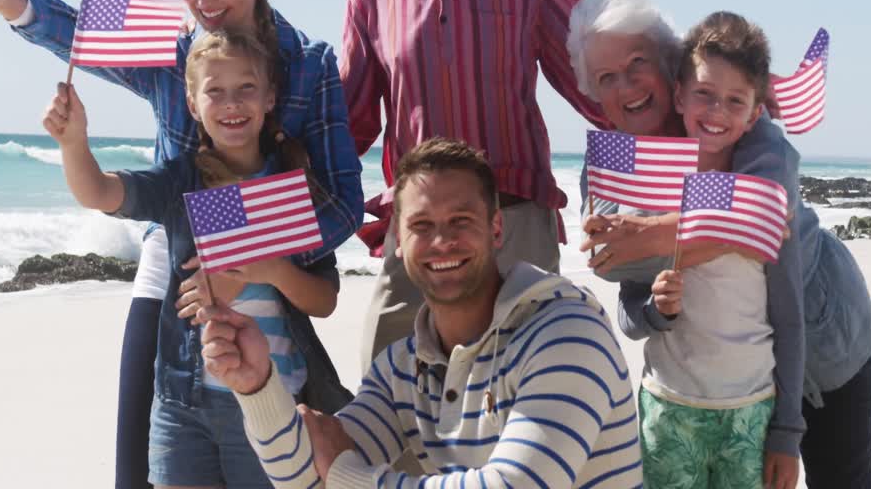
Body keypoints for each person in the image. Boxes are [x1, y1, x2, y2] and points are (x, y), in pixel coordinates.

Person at [0, 0, 364, 488]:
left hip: (269, 294)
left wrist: (245, 253)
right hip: (170, 279)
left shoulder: (309, 63)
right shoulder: (174, 48)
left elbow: (344, 201)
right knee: (135, 472)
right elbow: (81, 33)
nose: (206, 1)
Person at [567, 0, 871, 489]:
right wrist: (653, 304)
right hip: (714, 389)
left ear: (670, 67)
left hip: (824, 336)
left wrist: (649, 233)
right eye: (607, 77)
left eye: (638, 63)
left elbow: (761, 217)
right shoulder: (613, 168)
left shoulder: (739, 126)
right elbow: (619, 281)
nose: (626, 86)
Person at [198, 138, 643, 488]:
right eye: (421, 226)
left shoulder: (567, 332)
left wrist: (348, 476)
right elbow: (307, 478)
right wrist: (257, 386)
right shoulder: (403, 367)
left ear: (496, 228)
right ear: (397, 239)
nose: (441, 242)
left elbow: (517, 485)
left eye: (461, 221)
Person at [340, 0, 610, 364]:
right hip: (416, 232)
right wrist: (254, 171)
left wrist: (701, 123)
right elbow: (349, 125)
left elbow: (602, 76)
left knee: (529, 405)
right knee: (382, 408)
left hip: (515, 224)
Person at [42, 28, 352, 488]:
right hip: (183, 402)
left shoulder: (292, 185)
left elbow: (323, 300)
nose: (231, 103)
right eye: (215, 91)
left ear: (269, 98)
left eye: (246, 88)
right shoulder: (181, 181)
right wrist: (74, 144)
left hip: (272, 402)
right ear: (193, 104)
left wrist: (267, 269)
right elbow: (102, 192)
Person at [625, 12, 796, 488]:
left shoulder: (769, 197)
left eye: (734, 100)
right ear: (679, 95)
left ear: (753, 114)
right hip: (668, 405)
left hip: (752, 410)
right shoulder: (653, 189)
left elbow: (790, 317)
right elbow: (627, 311)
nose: (717, 111)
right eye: (704, 93)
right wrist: (656, 310)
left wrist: (787, 431)